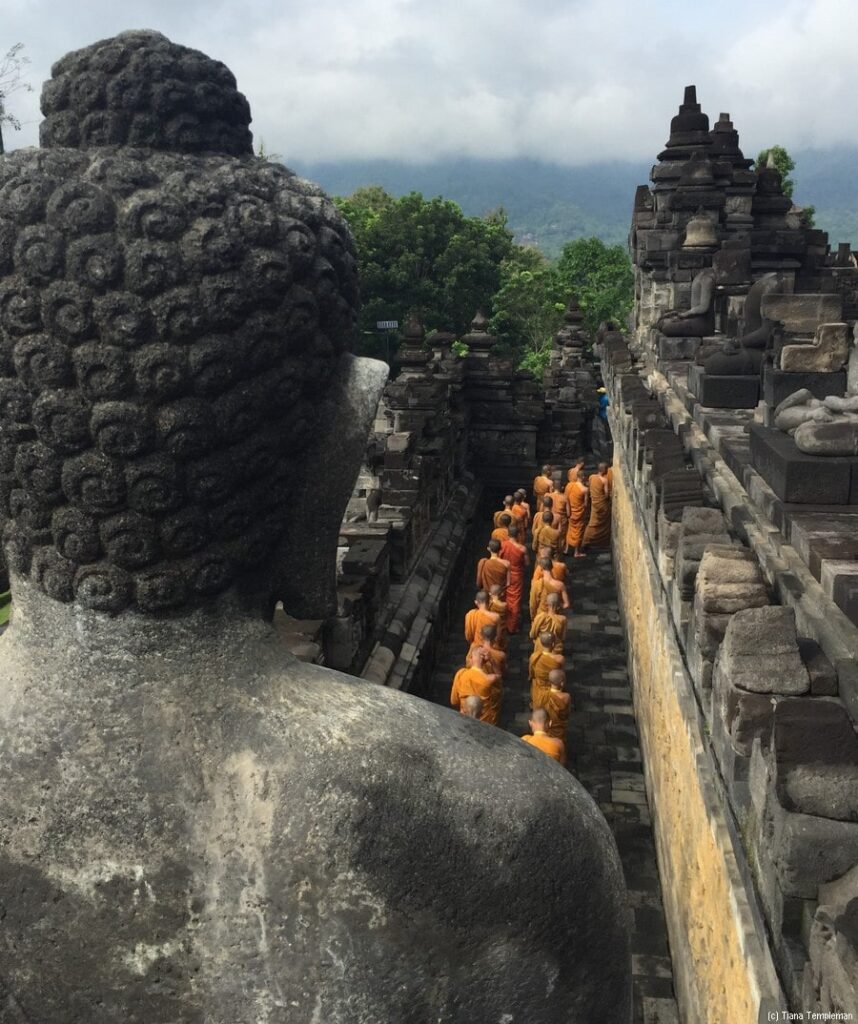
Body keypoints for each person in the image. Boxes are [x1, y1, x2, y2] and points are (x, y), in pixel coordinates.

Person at [450, 646, 501, 725]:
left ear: (472, 658)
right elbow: (499, 675)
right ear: (484, 659)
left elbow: (454, 701)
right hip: (485, 723)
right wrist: (491, 659)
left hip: (464, 720)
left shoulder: (461, 674)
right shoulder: (488, 679)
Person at [500, 523, 528, 634]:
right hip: (516, 576)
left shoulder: (502, 545)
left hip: (503, 574)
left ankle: (504, 621)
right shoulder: (522, 548)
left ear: (508, 534)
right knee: (515, 601)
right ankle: (512, 627)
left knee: (503, 597)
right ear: (518, 534)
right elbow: (526, 563)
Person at [529, 633, 565, 709]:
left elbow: (531, 671)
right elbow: (560, 673)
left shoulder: (534, 657)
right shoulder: (559, 659)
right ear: (553, 644)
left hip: (539, 687)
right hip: (553, 685)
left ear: (541, 643)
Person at [582, 462, 612, 549]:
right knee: (604, 523)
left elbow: (589, 486)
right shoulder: (604, 480)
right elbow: (606, 494)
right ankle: (602, 542)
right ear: (604, 470)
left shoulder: (591, 477)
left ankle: (586, 540)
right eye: (606, 469)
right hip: (602, 505)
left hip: (594, 504)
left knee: (592, 523)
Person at [565, 468, 590, 558]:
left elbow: (566, 498)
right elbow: (586, 504)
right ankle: (576, 552)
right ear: (583, 477)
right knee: (579, 531)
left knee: (570, 529)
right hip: (579, 513)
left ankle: (566, 549)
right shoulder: (585, 489)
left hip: (571, 511)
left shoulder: (570, 485)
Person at [544, 669, 571, 745]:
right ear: (562, 683)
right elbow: (567, 713)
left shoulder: (544, 696)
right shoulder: (566, 697)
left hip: (547, 726)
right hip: (559, 727)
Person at [488, 584, 509, 650]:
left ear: (490, 593)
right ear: (502, 594)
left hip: (491, 627)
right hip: (502, 628)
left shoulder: (489, 604)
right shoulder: (504, 605)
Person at [550, 484, 570, 552]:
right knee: (561, 537)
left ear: (552, 487)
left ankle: (551, 549)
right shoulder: (565, 497)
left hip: (550, 518)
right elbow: (568, 513)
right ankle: (560, 551)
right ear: (562, 487)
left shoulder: (548, 496)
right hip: (561, 520)